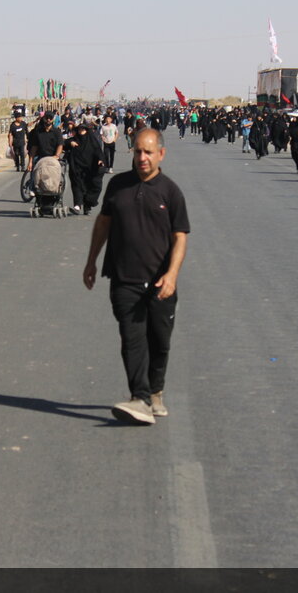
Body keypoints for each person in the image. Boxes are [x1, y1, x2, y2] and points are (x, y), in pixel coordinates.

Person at [83, 128, 190, 425]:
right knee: (132, 339)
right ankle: (139, 398)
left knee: (159, 341)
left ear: (161, 154)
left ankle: (155, 391)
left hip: (160, 283)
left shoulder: (170, 192)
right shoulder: (117, 185)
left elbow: (180, 237)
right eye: (138, 151)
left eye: (148, 152)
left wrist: (172, 275)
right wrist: (91, 261)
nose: (142, 157)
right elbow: (103, 224)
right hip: (124, 278)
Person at [67, 123, 105, 215]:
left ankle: (87, 206)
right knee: (77, 186)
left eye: (83, 130)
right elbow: (64, 143)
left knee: (91, 187)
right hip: (76, 168)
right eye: (79, 130)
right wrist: (70, 143)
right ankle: (77, 205)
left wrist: (100, 160)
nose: (81, 131)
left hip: (90, 168)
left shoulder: (92, 141)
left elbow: (98, 151)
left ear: (87, 131)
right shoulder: (74, 140)